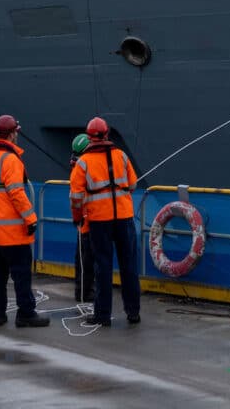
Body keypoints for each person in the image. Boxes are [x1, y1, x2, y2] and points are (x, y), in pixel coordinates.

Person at [0, 114, 48, 327]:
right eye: (16, 131)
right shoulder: (11, 160)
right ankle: (26, 313)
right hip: (12, 231)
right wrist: (31, 219)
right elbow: (17, 193)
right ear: (11, 134)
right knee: (21, 273)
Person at [70, 116, 141, 327]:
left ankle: (102, 315)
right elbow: (133, 185)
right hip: (124, 219)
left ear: (89, 137)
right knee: (129, 266)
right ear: (107, 134)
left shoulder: (83, 163)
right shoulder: (122, 156)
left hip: (99, 221)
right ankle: (133, 312)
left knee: (103, 266)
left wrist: (77, 218)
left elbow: (76, 198)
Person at [68, 133, 95, 303]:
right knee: (87, 260)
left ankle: (83, 291)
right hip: (89, 219)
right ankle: (84, 292)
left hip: (83, 219)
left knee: (82, 259)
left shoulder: (77, 166)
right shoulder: (86, 166)